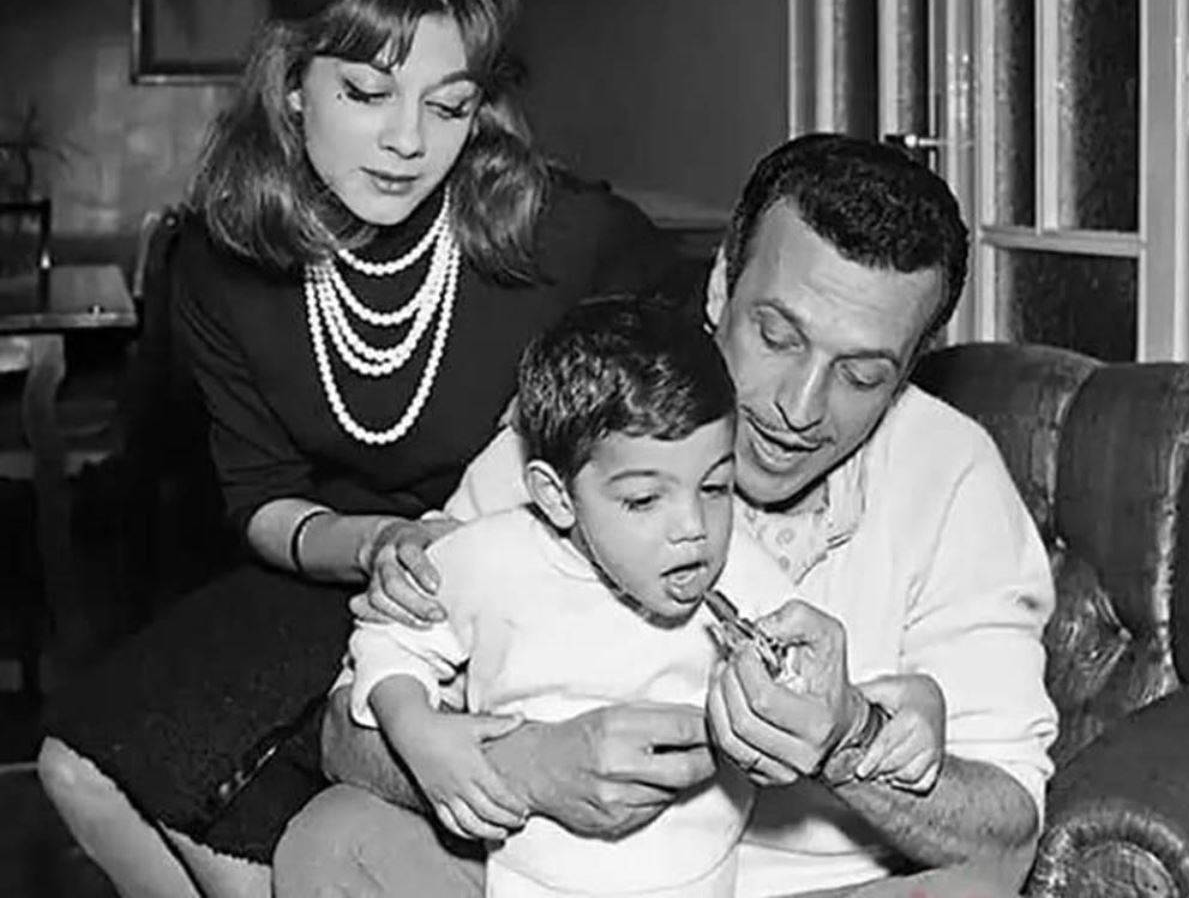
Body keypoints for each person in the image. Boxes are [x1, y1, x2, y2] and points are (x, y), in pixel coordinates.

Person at [36, 0, 677, 898]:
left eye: (448, 105)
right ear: (293, 84)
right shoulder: (221, 260)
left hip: (501, 578)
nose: (408, 141)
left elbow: (690, 408)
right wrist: (373, 544)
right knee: (75, 768)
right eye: (368, 95)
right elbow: (262, 503)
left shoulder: (569, 237)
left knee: (255, 842)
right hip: (334, 566)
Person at [274, 134, 1059, 898]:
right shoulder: (590, 418)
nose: (799, 406)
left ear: (911, 368)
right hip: (547, 872)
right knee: (338, 841)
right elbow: (348, 736)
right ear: (720, 287)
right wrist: (526, 770)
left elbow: (1005, 839)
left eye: (861, 375)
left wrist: (850, 741)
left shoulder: (952, 474)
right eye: (776, 336)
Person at [340, 295, 945, 897]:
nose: (693, 528)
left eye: (715, 487)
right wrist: (419, 733)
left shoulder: (742, 573)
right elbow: (389, 641)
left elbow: (844, 683)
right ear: (556, 496)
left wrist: (922, 704)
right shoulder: (490, 558)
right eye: (644, 500)